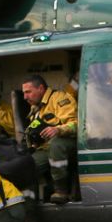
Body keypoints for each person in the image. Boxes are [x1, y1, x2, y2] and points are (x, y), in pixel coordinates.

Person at [21, 74, 78, 204]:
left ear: (41, 88)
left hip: (67, 144)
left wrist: (58, 130)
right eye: (24, 93)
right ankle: (30, 211)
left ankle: (61, 191)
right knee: (24, 167)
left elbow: (76, 124)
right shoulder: (35, 107)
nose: (25, 97)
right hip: (45, 148)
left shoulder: (60, 99)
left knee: (56, 144)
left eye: (28, 92)